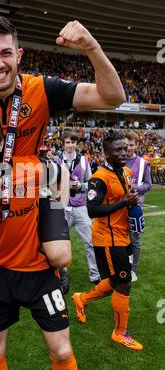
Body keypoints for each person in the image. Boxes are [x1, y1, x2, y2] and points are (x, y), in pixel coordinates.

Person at [0, 12, 125, 283]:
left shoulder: (43, 89)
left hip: (36, 181)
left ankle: (51, 264)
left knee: (59, 255)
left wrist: (92, 48)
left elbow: (114, 98)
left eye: (6, 53)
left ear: (19, 56)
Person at [0, 112, 76, 370]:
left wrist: (57, 211)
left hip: (39, 274)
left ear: (1, 145)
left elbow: (62, 173)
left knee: (62, 351)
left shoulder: (27, 169)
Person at [72, 133, 143, 351]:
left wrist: (134, 211)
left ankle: (81, 299)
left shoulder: (128, 172)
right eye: (118, 150)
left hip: (123, 236)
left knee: (115, 281)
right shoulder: (98, 178)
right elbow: (92, 211)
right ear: (106, 153)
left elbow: (129, 199)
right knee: (124, 283)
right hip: (108, 239)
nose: (124, 153)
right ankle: (120, 333)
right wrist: (124, 202)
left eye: (125, 149)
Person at [55, 130, 100, 284]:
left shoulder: (83, 160)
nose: (70, 145)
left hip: (81, 207)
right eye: (67, 142)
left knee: (91, 242)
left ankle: (95, 274)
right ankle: (62, 276)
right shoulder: (55, 159)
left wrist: (80, 185)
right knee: (60, 244)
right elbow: (49, 185)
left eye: (73, 142)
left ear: (77, 143)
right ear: (63, 143)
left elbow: (91, 183)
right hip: (61, 207)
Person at [124, 131, 152, 282]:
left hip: (135, 206)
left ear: (136, 145)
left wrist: (134, 188)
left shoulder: (142, 163)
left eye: (131, 145)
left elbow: (148, 185)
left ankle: (133, 269)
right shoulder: (117, 159)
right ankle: (123, 266)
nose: (128, 148)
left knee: (134, 240)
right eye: (126, 145)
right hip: (119, 205)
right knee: (120, 238)